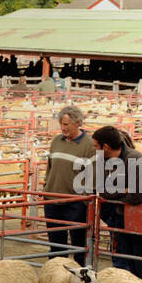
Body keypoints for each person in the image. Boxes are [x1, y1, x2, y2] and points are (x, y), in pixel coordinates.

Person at [92, 125, 142, 282]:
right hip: (119, 216)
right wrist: (125, 190)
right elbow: (103, 191)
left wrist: (116, 192)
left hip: (140, 216)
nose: (95, 150)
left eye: (96, 146)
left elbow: (139, 196)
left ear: (105, 147)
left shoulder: (136, 159)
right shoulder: (104, 160)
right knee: (123, 263)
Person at [42, 104, 97, 260]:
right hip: (52, 201)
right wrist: (46, 186)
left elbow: (93, 174)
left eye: (66, 124)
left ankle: (79, 277)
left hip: (75, 203)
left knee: (78, 244)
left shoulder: (89, 145)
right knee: (56, 245)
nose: (63, 128)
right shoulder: (56, 141)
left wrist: (84, 199)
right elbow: (50, 166)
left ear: (77, 123)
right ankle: (56, 278)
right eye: (61, 124)